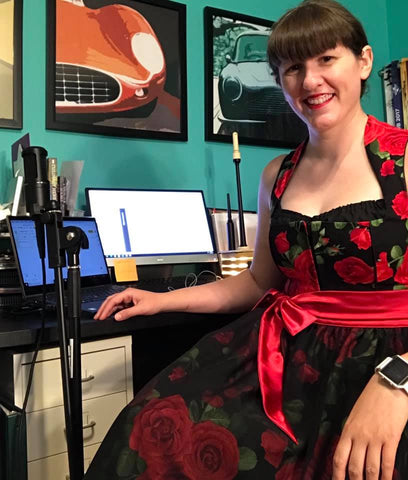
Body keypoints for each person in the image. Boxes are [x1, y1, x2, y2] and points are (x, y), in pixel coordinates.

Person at [85, 1, 408, 479]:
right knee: (153, 427)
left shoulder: (403, 160)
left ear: (362, 62)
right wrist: (161, 300)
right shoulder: (277, 175)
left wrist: (398, 380)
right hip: (290, 356)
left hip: (390, 360)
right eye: (293, 68)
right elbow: (258, 282)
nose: (310, 80)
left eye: (326, 59)